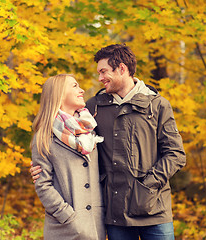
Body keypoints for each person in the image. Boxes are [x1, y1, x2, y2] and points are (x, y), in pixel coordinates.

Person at [31, 44, 186, 240]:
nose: (100, 78)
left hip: (155, 210)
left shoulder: (157, 105)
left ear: (121, 68)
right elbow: (68, 139)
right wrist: (41, 167)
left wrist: (146, 187)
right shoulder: (92, 108)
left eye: (104, 71)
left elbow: (176, 154)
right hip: (115, 214)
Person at [30, 74, 106, 240]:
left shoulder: (89, 129)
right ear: (59, 94)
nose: (82, 90)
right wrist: (68, 216)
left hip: (95, 224)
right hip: (65, 228)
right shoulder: (44, 136)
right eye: (74, 86)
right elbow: (43, 185)